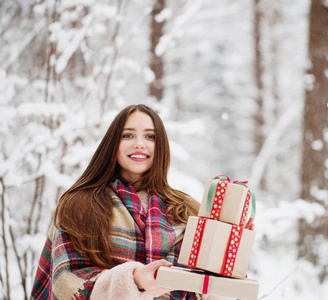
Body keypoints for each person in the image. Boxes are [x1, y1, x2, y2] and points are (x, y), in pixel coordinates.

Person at [31, 104, 253, 300]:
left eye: (150, 137)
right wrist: (135, 280)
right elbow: (66, 283)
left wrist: (227, 254)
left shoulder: (186, 210)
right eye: (128, 135)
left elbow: (204, 287)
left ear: (161, 146)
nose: (139, 144)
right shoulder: (80, 205)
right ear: (112, 144)